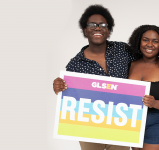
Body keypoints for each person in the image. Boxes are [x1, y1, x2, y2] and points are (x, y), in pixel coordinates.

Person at [52, 5, 135, 150]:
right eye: (92, 25)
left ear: (108, 30)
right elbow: (69, 98)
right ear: (85, 30)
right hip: (90, 128)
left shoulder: (123, 50)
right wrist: (58, 87)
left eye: (103, 25)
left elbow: (147, 63)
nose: (97, 28)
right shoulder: (75, 64)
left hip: (121, 124)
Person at [127, 25, 159, 150]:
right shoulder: (129, 65)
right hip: (132, 121)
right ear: (139, 41)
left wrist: (154, 103)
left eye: (155, 41)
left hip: (157, 122)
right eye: (145, 40)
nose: (150, 44)